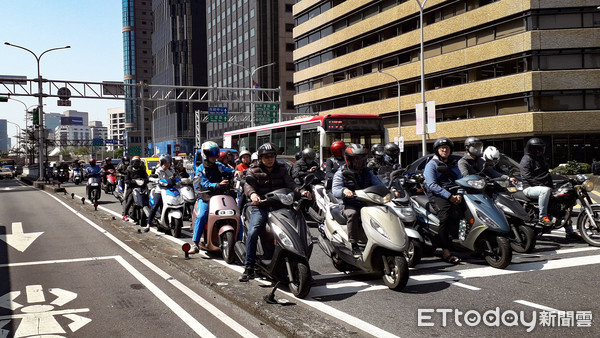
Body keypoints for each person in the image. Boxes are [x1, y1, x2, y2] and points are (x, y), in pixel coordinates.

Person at [239, 142, 311, 282]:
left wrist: (301, 191)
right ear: (260, 158)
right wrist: (253, 195)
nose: (269, 159)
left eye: (272, 156)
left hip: (281, 207)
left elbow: (291, 184)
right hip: (261, 207)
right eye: (266, 157)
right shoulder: (253, 170)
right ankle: (249, 267)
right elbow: (248, 185)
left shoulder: (282, 169)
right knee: (253, 232)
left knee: (297, 229)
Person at [520, 138, 582, 240]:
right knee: (545, 191)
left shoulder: (541, 159)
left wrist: (565, 180)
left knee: (564, 204)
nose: (540, 151)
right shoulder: (526, 159)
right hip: (530, 188)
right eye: (538, 149)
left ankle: (570, 232)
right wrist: (542, 186)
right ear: (531, 149)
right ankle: (542, 217)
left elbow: (547, 174)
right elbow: (527, 177)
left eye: (541, 149)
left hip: (543, 187)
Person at [332, 143, 385, 258]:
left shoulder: (367, 172)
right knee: (352, 214)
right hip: (348, 204)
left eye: (362, 159)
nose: (359, 162)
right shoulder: (341, 173)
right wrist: (344, 191)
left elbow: (378, 184)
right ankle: (354, 244)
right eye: (356, 159)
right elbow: (335, 190)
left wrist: (389, 190)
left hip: (366, 203)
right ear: (349, 160)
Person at [189, 141, 236, 254]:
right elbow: (203, 183)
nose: (215, 156)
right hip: (206, 196)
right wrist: (216, 184)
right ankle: (195, 244)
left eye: (216, 153)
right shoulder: (200, 169)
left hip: (221, 195)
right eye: (212, 153)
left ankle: (239, 241)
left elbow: (231, 171)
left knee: (236, 213)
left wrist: (237, 173)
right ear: (206, 154)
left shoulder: (219, 166)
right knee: (201, 215)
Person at [423, 138, 463, 264]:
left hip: (454, 194)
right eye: (442, 148)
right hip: (438, 195)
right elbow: (431, 185)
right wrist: (449, 196)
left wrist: (460, 194)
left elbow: (461, 180)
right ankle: (446, 252)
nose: (444, 150)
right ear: (437, 150)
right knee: (445, 217)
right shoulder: (432, 164)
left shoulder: (454, 164)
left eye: (447, 147)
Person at [145, 154, 175, 232]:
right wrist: (155, 179)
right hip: (160, 190)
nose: (167, 164)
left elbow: (173, 176)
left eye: (168, 163)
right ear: (162, 163)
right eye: (165, 163)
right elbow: (154, 176)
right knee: (155, 206)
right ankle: (148, 224)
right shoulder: (158, 169)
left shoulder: (172, 170)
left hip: (170, 190)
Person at [122, 156, 148, 223]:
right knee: (130, 199)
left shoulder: (142, 169)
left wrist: (145, 181)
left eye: (138, 162)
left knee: (147, 198)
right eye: (135, 162)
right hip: (132, 187)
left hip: (141, 187)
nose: (136, 164)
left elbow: (146, 177)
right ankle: (125, 215)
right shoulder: (129, 169)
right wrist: (132, 181)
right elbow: (127, 180)